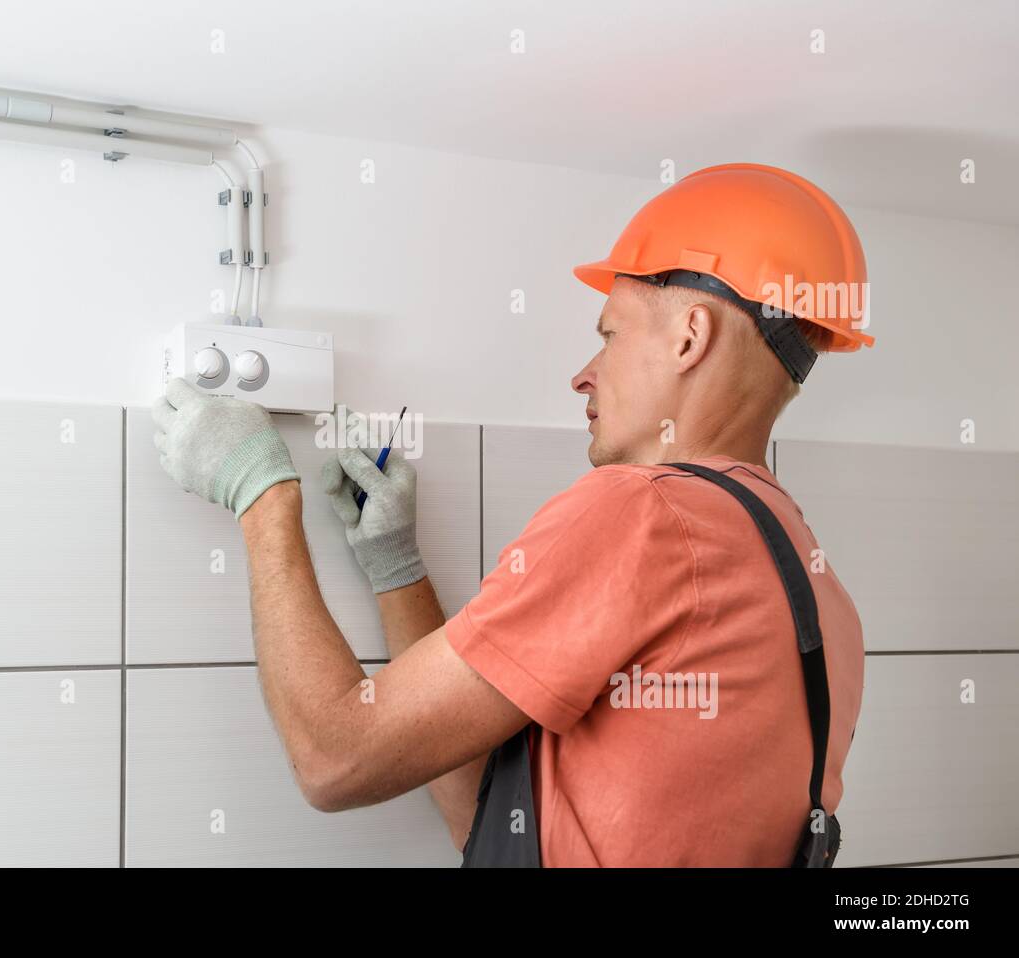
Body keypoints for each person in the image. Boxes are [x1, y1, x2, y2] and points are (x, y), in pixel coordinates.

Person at [151, 163, 873, 866]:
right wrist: (397, 569)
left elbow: (335, 759)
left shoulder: (642, 513)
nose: (584, 374)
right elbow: (495, 822)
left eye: (610, 334)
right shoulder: (816, 588)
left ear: (690, 336)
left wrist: (263, 497)